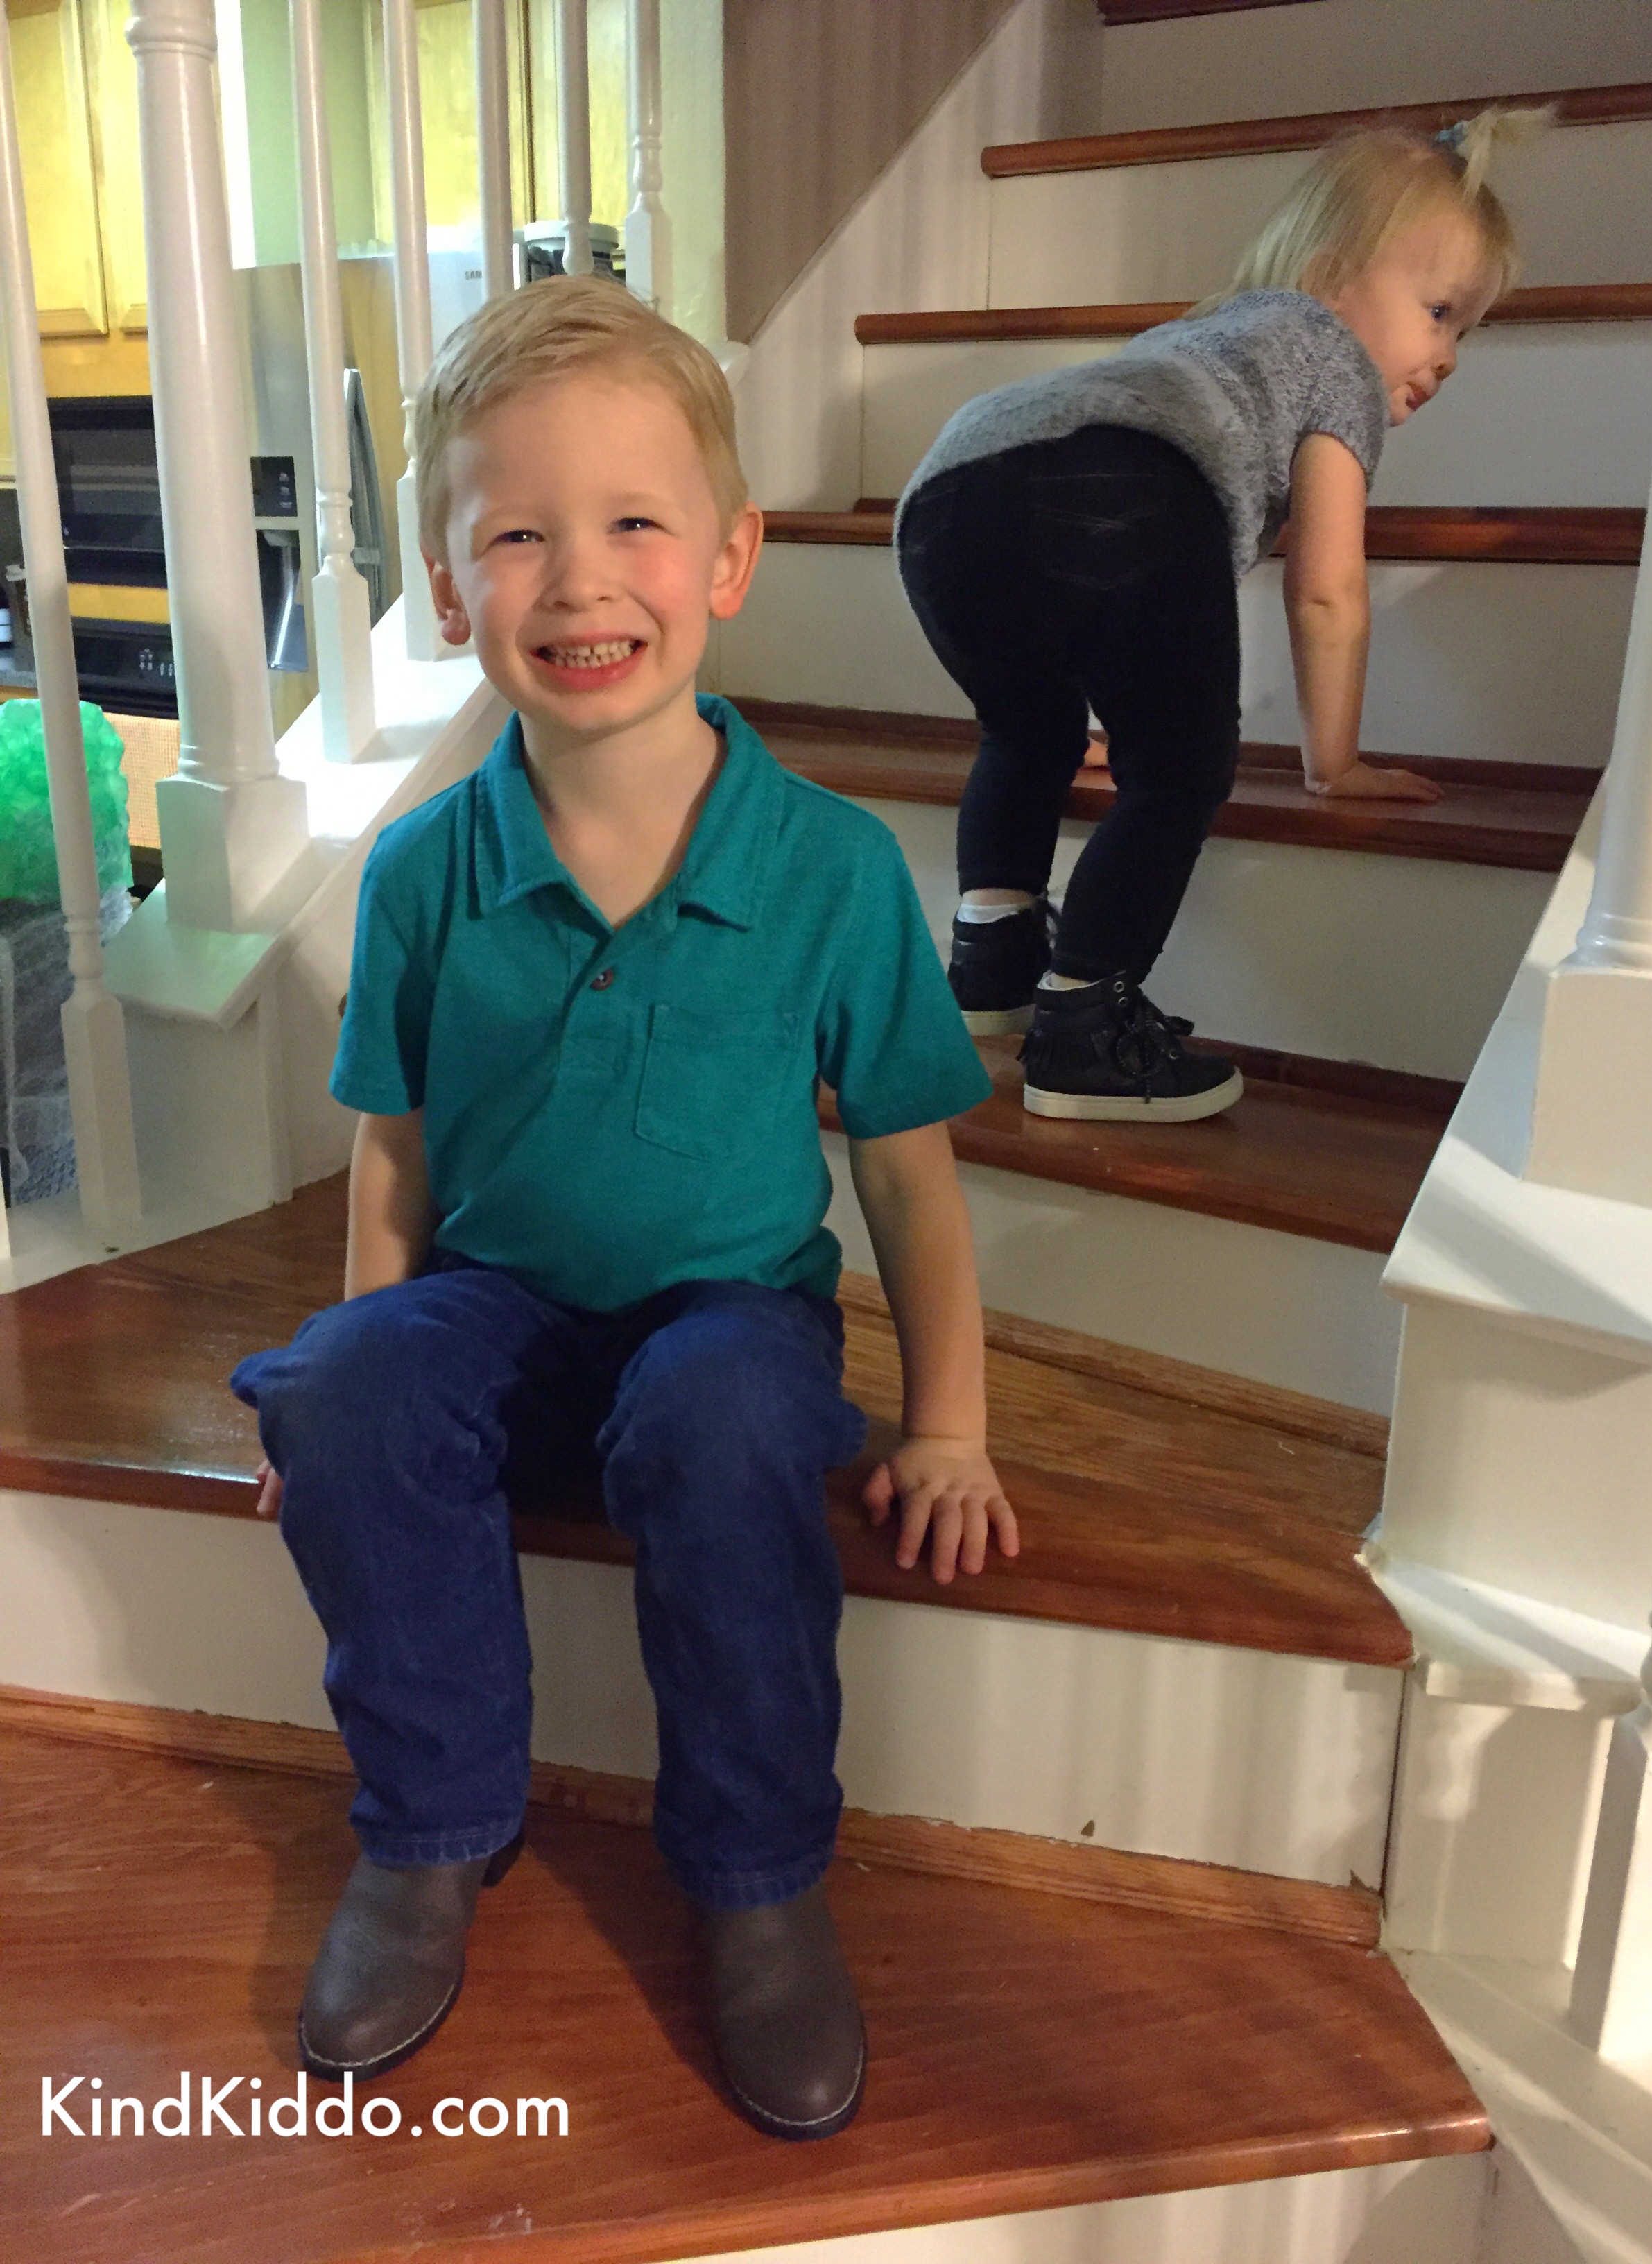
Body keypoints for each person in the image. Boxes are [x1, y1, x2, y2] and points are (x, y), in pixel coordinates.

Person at [231, 275, 1017, 2143]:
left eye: (636, 524)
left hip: (730, 1323)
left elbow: (906, 1175)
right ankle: (429, 1834)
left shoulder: (832, 868)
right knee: (342, 1384)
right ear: (449, 592)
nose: (580, 582)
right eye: (518, 536)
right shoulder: (422, 869)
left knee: (721, 1412)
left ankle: (758, 1877)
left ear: (730, 558)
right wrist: (350, 1390)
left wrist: (953, 1424)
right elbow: (397, 1157)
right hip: (499, 1309)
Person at [895, 111, 1539, 1123]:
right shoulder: (1332, 360)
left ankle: (990, 961)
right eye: (1439, 312)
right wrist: (1335, 763)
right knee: (1180, 766)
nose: (1449, 354)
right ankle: (1085, 1026)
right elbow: (1325, 587)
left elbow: (1093, 573)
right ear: (1330, 278)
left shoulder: (1199, 342)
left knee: (1026, 732)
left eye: (1466, 329)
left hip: (947, 493)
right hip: (1118, 485)